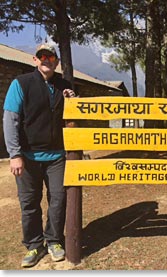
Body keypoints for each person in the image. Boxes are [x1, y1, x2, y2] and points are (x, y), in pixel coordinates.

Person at [3, 43, 76, 267]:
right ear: (35, 60)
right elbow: (10, 120)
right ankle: (35, 246)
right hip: (27, 157)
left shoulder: (64, 86)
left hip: (56, 157)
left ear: (56, 61)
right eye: (41, 56)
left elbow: (74, 117)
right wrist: (14, 154)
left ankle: (54, 240)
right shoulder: (21, 84)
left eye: (50, 57)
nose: (46, 60)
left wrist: (73, 99)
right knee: (29, 203)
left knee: (58, 200)